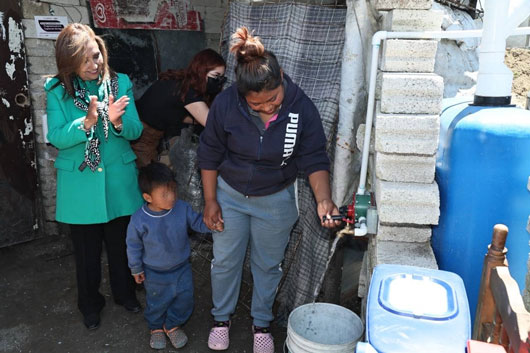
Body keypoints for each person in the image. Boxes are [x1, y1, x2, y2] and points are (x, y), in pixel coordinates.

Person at [197, 27, 341, 352]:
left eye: (273, 99)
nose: (267, 109)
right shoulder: (226, 104)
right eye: (256, 104)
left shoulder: (301, 108)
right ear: (241, 95)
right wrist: (210, 201)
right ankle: (221, 319)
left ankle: (261, 323)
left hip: (276, 200)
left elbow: (315, 156)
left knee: (267, 265)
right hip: (229, 195)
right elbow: (209, 152)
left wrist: (324, 199)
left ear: (282, 78)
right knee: (224, 261)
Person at [45, 23, 144, 330]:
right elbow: (57, 137)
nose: (93, 65)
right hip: (80, 186)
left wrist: (116, 123)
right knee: (86, 254)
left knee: (121, 246)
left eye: (96, 56)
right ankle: (90, 304)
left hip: (118, 182)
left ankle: (125, 293)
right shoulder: (57, 90)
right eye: (84, 60)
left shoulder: (119, 82)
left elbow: (136, 130)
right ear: (69, 62)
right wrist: (86, 123)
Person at [126, 162, 209, 350]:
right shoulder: (139, 219)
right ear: (147, 197)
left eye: (173, 190)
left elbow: (197, 223)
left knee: (185, 299)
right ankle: (155, 328)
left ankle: (172, 324)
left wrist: (213, 225)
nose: (171, 197)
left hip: (182, 268)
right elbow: (133, 246)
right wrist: (136, 268)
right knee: (157, 301)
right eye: (164, 194)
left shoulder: (182, 208)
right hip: (154, 273)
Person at [132, 49, 226, 167]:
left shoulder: (184, 80)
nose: (219, 81)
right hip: (142, 134)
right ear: (201, 71)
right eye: (215, 76)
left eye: (222, 77)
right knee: (151, 178)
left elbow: (174, 112)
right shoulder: (188, 92)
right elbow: (213, 124)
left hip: (142, 124)